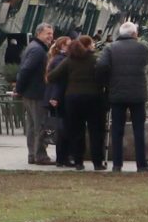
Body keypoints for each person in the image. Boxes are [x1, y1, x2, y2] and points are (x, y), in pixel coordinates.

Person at [100, 20, 148, 173]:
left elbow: (101, 66)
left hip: (117, 94)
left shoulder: (110, 48)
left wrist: (108, 81)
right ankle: (142, 164)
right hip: (137, 94)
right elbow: (147, 62)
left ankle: (117, 164)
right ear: (134, 34)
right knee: (139, 129)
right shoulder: (142, 48)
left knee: (117, 130)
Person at [57, 34, 107, 170]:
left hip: (73, 99)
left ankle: (78, 161)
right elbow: (104, 75)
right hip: (94, 98)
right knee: (96, 131)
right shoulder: (95, 60)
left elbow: (52, 76)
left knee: (76, 131)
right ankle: (97, 162)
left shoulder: (69, 61)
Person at [14, 23, 57, 164]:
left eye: (51, 33)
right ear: (39, 33)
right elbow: (26, 70)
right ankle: (40, 155)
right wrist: (19, 89)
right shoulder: (38, 50)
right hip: (36, 93)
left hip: (31, 93)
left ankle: (32, 154)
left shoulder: (33, 47)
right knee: (40, 125)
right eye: (47, 34)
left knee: (32, 126)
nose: (50, 36)